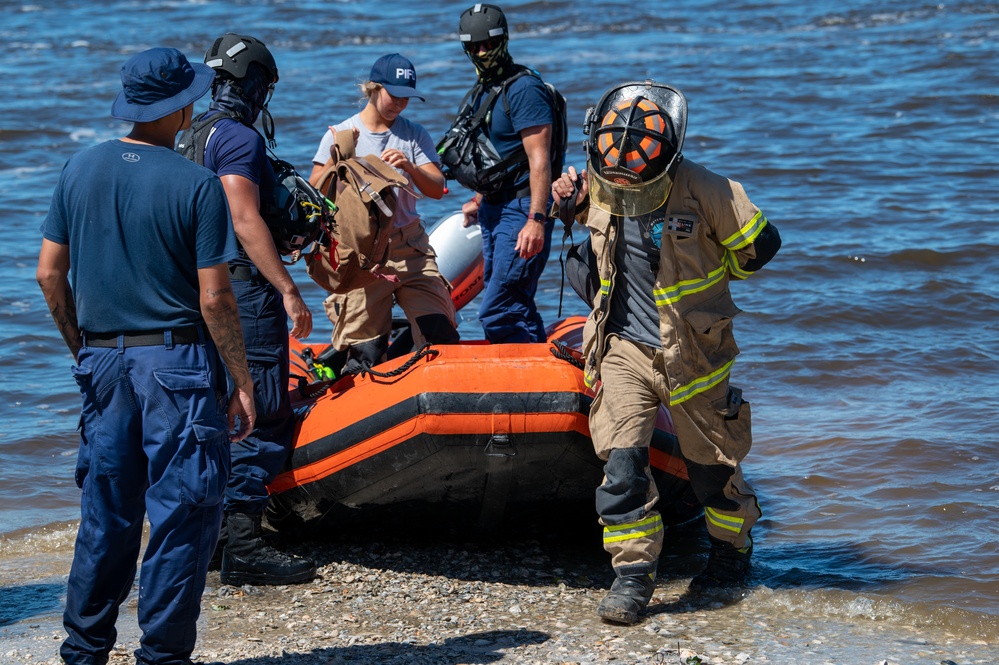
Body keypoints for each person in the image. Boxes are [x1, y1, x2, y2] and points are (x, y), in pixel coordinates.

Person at [36, 47, 256, 665]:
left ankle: (84, 651)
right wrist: (240, 380)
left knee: (105, 514)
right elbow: (216, 299)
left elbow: (50, 275)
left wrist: (84, 349)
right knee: (183, 516)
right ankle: (160, 656)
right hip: (176, 366)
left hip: (104, 361)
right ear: (182, 108)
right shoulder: (197, 184)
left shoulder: (78, 168)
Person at [552, 81, 782, 625]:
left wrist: (710, 282)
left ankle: (731, 554)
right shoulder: (602, 176)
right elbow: (585, 229)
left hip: (694, 356)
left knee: (711, 474)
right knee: (623, 465)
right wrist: (567, 199)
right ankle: (633, 577)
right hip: (623, 347)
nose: (625, 182)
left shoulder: (708, 189)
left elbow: (760, 247)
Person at [186, 33, 316, 586]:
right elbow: (244, 217)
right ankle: (244, 545)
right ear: (256, 82)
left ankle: (213, 538)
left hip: (199, 289)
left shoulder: (189, 135)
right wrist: (287, 287)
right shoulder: (239, 138)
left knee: (217, 406)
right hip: (243, 290)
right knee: (257, 407)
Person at [308, 53, 459, 369]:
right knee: (366, 354)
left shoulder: (414, 135)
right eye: (395, 95)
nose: (401, 104)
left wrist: (410, 167)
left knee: (441, 335)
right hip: (362, 256)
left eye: (407, 97)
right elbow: (314, 194)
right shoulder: (342, 135)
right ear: (373, 88)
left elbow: (436, 188)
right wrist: (343, 163)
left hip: (411, 249)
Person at [453, 3, 556, 343]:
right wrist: (479, 199)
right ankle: (541, 370)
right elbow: (499, 157)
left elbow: (539, 160)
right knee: (512, 298)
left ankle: (524, 384)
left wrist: (536, 219)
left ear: (504, 40)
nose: (482, 52)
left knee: (498, 307)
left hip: (522, 210)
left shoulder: (524, 89)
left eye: (488, 44)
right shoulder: (485, 88)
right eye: (474, 46)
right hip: (494, 209)